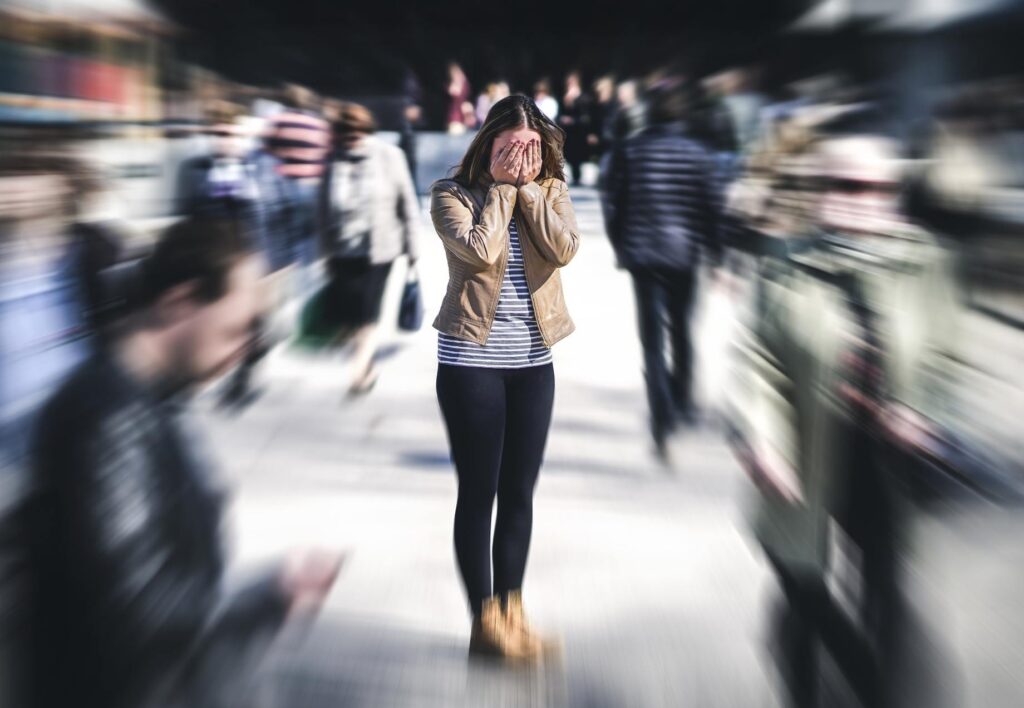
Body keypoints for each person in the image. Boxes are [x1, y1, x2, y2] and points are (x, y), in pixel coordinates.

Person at [22, 216, 342, 708]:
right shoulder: (107, 420)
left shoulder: (145, 400)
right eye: (236, 328)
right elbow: (139, 610)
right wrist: (270, 593)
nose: (246, 348)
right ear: (178, 303)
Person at [730, 129, 960, 707]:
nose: (866, 199)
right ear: (819, 190)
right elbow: (760, 360)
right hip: (804, 449)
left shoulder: (923, 263)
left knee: (883, 587)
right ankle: (823, 685)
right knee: (801, 582)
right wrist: (765, 438)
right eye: (848, 185)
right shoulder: (785, 263)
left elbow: (944, 355)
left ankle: (881, 689)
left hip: (883, 458)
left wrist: (924, 410)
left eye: (881, 187)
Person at [429, 94, 579, 661]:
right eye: (512, 148)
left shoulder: (553, 192)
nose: (524, 157)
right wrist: (501, 190)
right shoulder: (452, 195)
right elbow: (481, 253)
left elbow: (563, 249)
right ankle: (484, 622)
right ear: (487, 145)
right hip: (472, 365)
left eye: (533, 148)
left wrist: (531, 192)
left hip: (534, 366)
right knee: (479, 493)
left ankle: (513, 612)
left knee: (519, 493)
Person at [600, 85, 722, 460]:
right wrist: (716, 252)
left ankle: (661, 414)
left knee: (652, 341)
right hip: (684, 255)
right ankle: (681, 400)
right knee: (683, 330)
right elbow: (711, 206)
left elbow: (614, 203)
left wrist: (620, 245)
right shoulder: (698, 154)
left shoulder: (630, 151)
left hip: (644, 255)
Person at [318, 102, 420, 395]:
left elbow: (407, 203)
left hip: (379, 250)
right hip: (342, 251)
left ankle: (360, 372)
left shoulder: (390, 156)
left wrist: (413, 250)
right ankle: (365, 359)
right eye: (346, 136)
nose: (352, 141)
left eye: (356, 134)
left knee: (367, 312)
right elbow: (322, 209)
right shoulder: (332, 161)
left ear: (366, 131)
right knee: (349, 316)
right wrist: (324, 252)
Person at [558, 71, 592, 186]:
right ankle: (575, 176)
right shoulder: (566, 97)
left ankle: (578, 177)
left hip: (579, 131)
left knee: (578, 154)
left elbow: (585, 117)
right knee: (571, 154)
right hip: (570, 132)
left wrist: (572, 120)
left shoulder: (583, 97)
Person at [446, 62, 473, 134]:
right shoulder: (455, 83)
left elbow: (455, 92)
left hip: (463, 118)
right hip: (455, 119)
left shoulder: (464, 84)